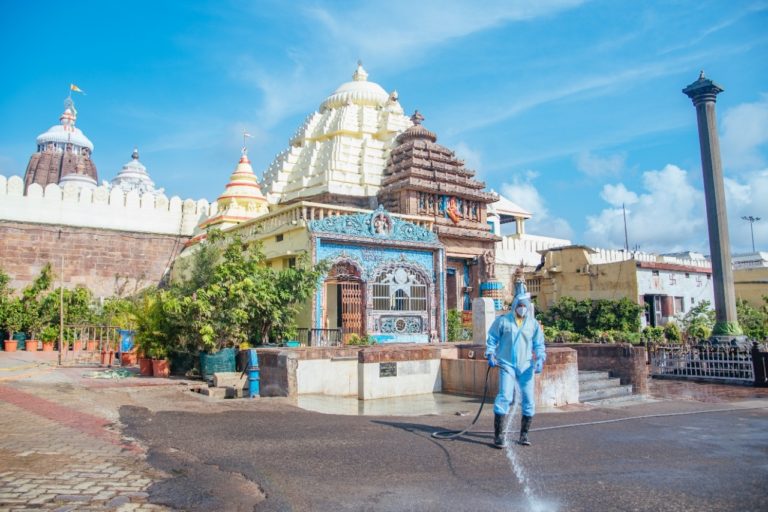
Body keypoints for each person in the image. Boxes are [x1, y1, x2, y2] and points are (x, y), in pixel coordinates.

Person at [485, 274, 546, 448]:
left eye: (524, 305)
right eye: (519, 305)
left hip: (526, 366)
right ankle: (498, 436)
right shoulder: (503, 321)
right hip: (507, 364)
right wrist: (490, 354)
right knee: (505, 395)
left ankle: (524, 434)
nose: (522, 308)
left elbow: (539, 344)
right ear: (514, 306)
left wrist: (540, 358)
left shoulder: (533, 324)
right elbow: (492, 339)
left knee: (528, 399)